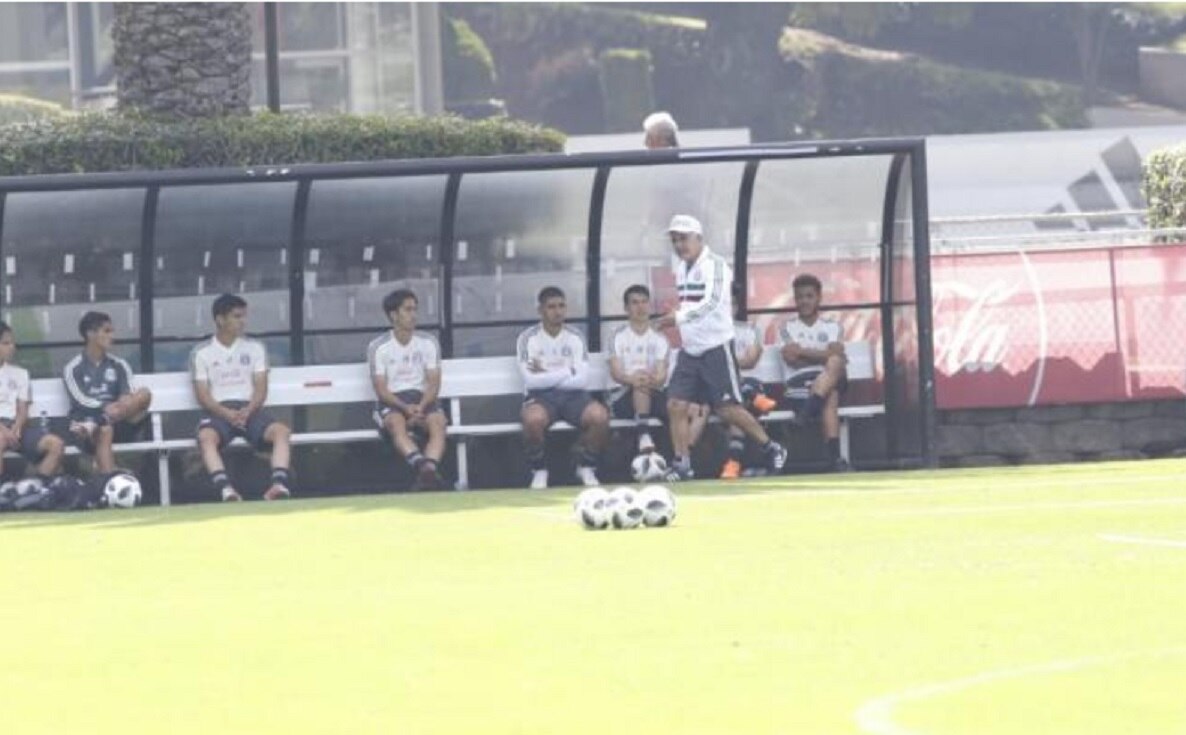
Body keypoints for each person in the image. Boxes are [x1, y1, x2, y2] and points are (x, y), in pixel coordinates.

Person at [654, 215, 787, 481]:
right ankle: (682, 464)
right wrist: (678, 316)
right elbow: (690, 303)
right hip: (690, 350)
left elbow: (711, 303)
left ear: (699, 238)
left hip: (716, 347)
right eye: (675, 240)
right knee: (676, 404)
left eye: (684, 238)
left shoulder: (716, 266)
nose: (680, 245)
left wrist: (678, 318)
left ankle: (770, 446)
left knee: (728, 409)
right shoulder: (681, 268)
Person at [190, 294, 292, 502]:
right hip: (219, 411)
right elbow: (203, 395)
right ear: (220, 319)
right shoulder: (201, 353)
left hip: (249, 409)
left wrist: (250, 409)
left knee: (281, 432)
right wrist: (226, 413)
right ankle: (226, 489)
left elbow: (261, 388)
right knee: (206, 437)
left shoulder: (255, 348)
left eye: (244, 316)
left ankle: (278, 485)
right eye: (237, 316)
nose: (243, 321)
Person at [517, 286, 609, 490]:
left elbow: (582, 380)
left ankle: (586, 466)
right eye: (551, 307)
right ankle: (539, 470)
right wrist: (567, 370)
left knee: (600, 416)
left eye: (561, 306)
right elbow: (531, 381)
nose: (557, 311)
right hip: (540, 397)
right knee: (532, 420)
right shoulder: (528, 338)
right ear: (540, 310)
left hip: (574, 397)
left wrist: (546, 372)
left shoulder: (575, 336)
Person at [368, 289, 447, 491]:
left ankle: (427, 470)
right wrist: (405, 408)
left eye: (415, 309)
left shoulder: (428, 342)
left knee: (438, 422)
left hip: (423, 400)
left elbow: (434, 383)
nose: (414, 315)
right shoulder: (379, 347)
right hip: (393, 401)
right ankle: (424, 467)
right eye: (408, 309)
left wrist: (420, 407)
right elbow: (381, 389)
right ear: (394, 315)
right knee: (395, 422)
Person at [63, 311, 153, 474]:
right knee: (105, 430)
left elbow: (128, 396)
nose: (113, 336)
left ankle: (102, 422)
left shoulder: (119, 364)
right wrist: (105, 407)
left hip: (117, 421)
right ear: (90, 334)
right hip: (84, 426)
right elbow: (80, 400)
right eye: (107, 331)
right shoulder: (73, 367)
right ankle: (109, 480)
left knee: (145, 394)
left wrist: (119, 406)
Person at [780, 273, 849, 472]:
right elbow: (791, 360)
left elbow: (835, 354)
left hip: (829, 377)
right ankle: (835, 459)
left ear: (818, 298)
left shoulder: (832, 326)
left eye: (809, 296)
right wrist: (823, 355)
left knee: (835, 362)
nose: (804, 301)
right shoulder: (787, 327)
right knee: (830, 393)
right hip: (799, 386)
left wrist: (802, 351)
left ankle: (803, 417)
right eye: (800, 297)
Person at [720, 282, 779, 479]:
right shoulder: (709, 336)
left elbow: (751, 361)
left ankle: (733, 464)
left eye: (731, 304)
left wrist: (728, 363)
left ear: (736, 307)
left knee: (736, 407)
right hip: (723, 391)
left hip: (746, 383)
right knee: (737, 405)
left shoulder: (750, 330)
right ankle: (756, 399)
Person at [607, 285, 670, 455]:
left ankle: (678, 462)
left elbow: (661, 375)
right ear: (626, 308)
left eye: (644, 302)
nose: (640, 307)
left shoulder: (660, 338)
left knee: (677, 408)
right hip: (622, 397)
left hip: (652, 391)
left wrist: (650, 380)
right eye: (635, 303)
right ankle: (643, 434)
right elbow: (617, 373)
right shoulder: (617, 336)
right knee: (639, 386)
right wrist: (635, 379)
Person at [0, 321, 64, 481]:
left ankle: (36, 489)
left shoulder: (21, 373)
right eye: (6, 343)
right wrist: (4, 431)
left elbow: (23, 409)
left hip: (17, 427)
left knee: (56, 444)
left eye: (12, 343)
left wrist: (16, 428)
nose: (12, 347)